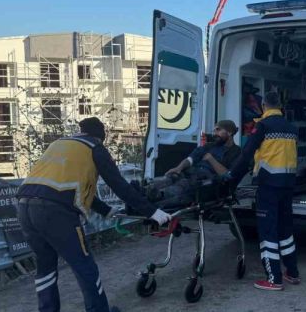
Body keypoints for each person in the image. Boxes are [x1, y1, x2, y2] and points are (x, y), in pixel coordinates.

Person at [16, 117, 171, 312]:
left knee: (45, 268)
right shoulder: (94, 148)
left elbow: (65, 188)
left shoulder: (58, 144)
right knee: (84, 266)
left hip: (24, 207)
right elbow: (119, 185)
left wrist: (106, 210)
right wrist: (152, 212)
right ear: (100, 137)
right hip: (56, 214)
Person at [223, 91, 299, 291]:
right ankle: (292, 272)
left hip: (268, 186)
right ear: (280, 105)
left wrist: (230, 177)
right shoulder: (291, 128)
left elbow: (246, 155)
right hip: (288, 186)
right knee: (285, 231)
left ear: (263, 105)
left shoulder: (263, 126)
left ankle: (274, 279)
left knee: (268, 232)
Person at [145, 120, 241, 208]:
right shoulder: (209, 146)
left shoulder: (236, 152)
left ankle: (159, 195)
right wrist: (178, 168)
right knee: (171, 177)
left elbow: (228, 174)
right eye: (214, 130)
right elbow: (191, 158)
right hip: (191, 174)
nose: (215, 133)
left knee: (183, 185)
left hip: (207, 183)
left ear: (229, 132)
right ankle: (145, 191)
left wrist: (211, 159)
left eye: (218, 130)